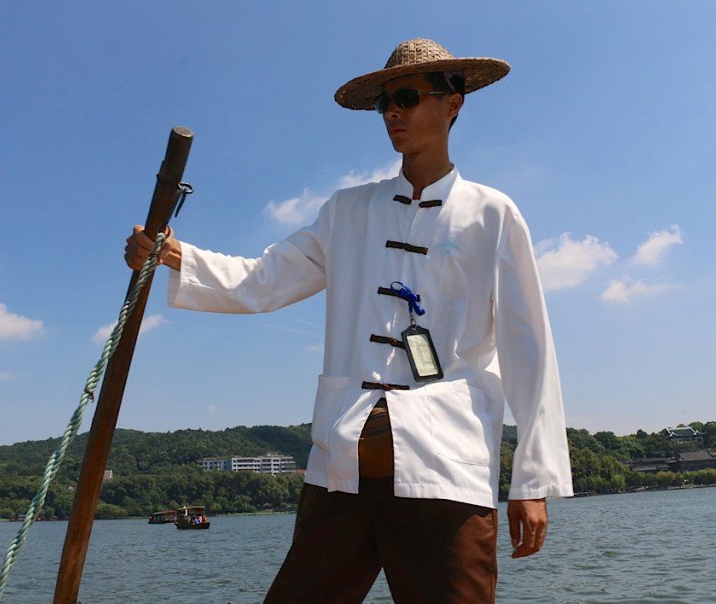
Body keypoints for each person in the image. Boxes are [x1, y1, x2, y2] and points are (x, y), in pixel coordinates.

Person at [125, 38, 573, 603]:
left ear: (453, 103)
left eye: (407, 98)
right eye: (385, 102)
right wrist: (171, 254)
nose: (393, 113)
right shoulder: (347, 210)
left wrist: (533, 480)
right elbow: (265, 279)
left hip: (447, 472)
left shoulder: (493, 214)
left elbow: (528, 347)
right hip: (341, 468)